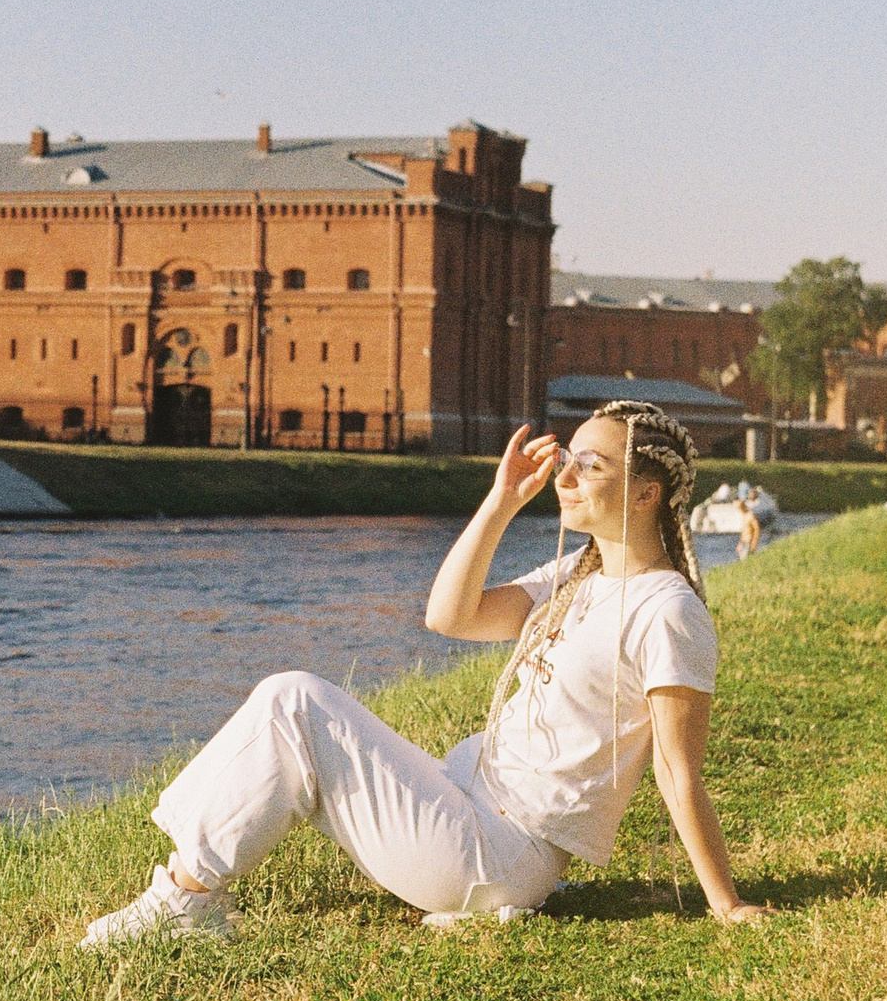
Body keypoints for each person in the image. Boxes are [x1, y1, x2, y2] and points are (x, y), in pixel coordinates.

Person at [79, 401, 768, 946]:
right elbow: (449, 615)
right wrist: (500, 501)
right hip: (463, 794)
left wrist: (726, 903)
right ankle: (187, 888)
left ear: (646, 493)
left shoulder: (667, 609)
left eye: (591, 466)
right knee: (290, 710)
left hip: (501, 853)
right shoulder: (578, 575)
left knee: (294, 701)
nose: (565, 477)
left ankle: (182, 902)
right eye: (568, 459)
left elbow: (680, 772)